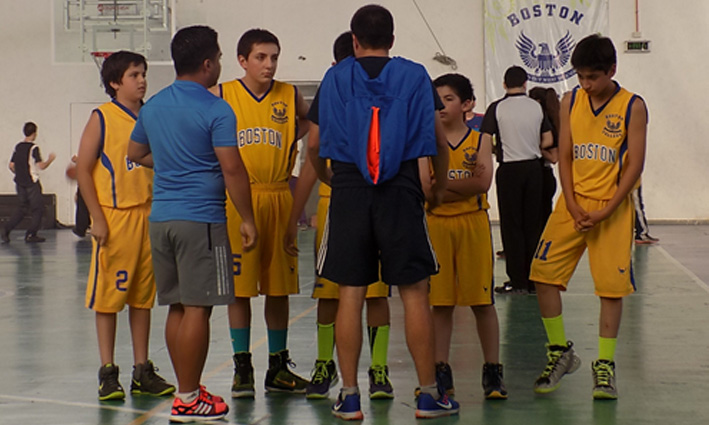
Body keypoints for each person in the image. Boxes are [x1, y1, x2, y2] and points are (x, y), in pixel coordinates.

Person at [308, 5, 458, 420]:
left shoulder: (336, 76)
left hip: (351, 188)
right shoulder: (414, 76)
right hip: (402, 189)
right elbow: (440, 143)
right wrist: (439, 188)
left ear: (353, 40)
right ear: (392, 40)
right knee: (414, 293)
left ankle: (351, 395)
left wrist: (330, 179)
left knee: (350, 294)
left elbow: (313, 145)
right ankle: (429, 395)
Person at [128, 26, 257, 422]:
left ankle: (188, 388)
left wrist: (169, 165)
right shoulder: (216, 108)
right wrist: (248, 218)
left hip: (162, 220)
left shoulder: (153, 106)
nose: (219, 64)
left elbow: (135, 152)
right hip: (200, 220)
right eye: (218, 58)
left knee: (178, 307)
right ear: (207, 64)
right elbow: (232, 169)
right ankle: (187, 398)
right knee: (200, 309)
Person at [529, 34, 648, 400]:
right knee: (542, 275)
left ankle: (605, 366)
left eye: (592, 77)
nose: (586, 84)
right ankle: (560, 352)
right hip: (572, 205)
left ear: (612, 70)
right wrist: (573, 201)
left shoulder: (633, 106)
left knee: (610, 290)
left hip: (611, 208)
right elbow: (563, 154)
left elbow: (636, 164)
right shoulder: (570, 100)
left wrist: (607, 208)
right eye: (580, 76)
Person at [284, 30, 394, 401]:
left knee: (348, 292)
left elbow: (313, 154)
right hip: (353, 200)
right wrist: (297, 213)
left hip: (349, 196)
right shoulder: (337, 94)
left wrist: (294, 215)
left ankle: (372, 368)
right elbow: (313, 159)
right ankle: (333, 365)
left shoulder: (341, 89)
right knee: (339, 292)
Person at [214, 28, 311, 397]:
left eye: (273, 57)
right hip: (238, 200)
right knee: (239, 290)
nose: (269, 64)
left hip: (278, 195)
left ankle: (277, 367)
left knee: (279, 288)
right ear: (242, 60)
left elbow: (313, 123)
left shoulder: (290, 94)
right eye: (260, 57)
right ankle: (242, 368)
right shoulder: (222, 94)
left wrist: (295, 136)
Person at [75, 51, 175, 402]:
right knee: (109, 298)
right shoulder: (101, 117)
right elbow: (83, 169)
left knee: (142, 298)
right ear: (116, 82)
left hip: (150, 214)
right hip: (115, 217)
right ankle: (107, 371)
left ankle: (141, 369)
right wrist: (96, 218)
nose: (142, 80)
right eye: (134, 74)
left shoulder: (152, 114)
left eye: (144, 73)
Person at [421, 73, 507, 400]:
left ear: (467, 104)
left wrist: (441, 187)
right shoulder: (424, 140)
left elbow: (481, 185)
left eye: (448, 99)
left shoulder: (481, 139)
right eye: (436, 99)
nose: (440, 106)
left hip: (473, 223)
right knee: (440, 304)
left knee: (482, 301)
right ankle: (441, 369)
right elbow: (424, 189)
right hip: (437, 226)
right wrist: (452, 187)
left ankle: (493, 372)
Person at [481, 66, 553, 294]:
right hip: (533, 169)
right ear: (525, 84)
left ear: (504, 84)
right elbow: (548, 139)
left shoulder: (497, 107)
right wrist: (530, 146)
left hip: (509, 170)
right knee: (533, 224)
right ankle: (534, 280)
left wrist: (494, 152)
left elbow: (485, 138)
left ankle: (517, 281)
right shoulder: (536, 107)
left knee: (512, 226)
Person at [2, 122, 55, 243]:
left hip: (19, 183)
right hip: (31, 182)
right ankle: (31, 234)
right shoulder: (33, 148)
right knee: (38, 209)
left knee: (22, 208)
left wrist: (19, 173)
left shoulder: (18, 146)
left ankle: (6, 229)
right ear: (35, 133)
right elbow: (41, 166)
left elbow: (11, 165)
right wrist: (50, 160)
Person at [529, 87, 561, 224]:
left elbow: (554, 157)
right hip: (543, 176)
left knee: (540, 221)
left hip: (542, 176)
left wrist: (534, 148)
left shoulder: (549, 125)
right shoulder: (551, 122)